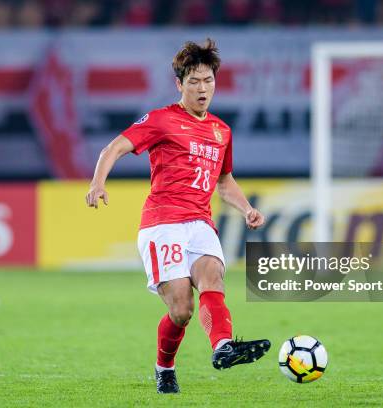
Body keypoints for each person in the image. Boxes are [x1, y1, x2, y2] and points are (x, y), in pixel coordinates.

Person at [86, 39, 269, 394]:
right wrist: (98, 182)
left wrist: (246, 208)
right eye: (194, 82)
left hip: (200, 222)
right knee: (182, 309)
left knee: (213, 274)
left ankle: (223, 347)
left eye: (208, 81)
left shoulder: (221, 131)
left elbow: (224, 181)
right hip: (162, 224)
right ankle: (164, 367)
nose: (203, 89)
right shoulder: (161, 120)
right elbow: (115, 147)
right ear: (179, 84)